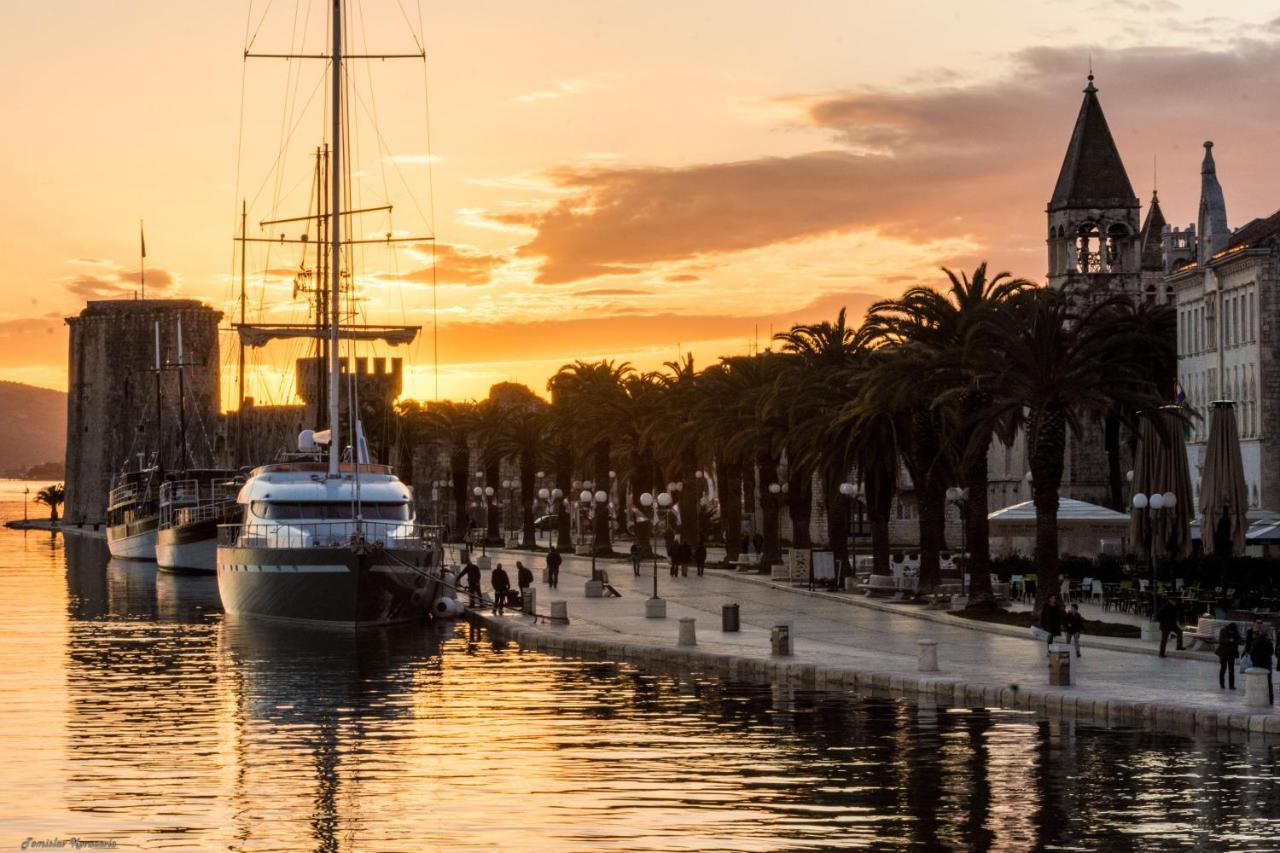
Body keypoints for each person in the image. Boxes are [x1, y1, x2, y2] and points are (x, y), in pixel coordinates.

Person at [1246, 619, 1275, 705]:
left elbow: (1252, 651)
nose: (1259, 624)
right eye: (1258, 623)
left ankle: (1259, 698)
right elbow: (1271, 652)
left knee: (1260, 680)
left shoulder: (1256, 642)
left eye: (1261, 623)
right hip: (1266, 663)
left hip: (1256, 662)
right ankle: (1270, 699)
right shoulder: (1251, 632)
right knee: (1268, 681)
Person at [1217, 622, 1241, 690]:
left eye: (1233, 631)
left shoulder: (1235, 632)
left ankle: (1231, 685)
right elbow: (1221, 640)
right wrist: (1229, 640)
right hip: (1223, 653)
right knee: (1223, 668)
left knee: (1231, 670)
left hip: (1231, 653)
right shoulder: (1223, 631)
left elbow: (1240, 639)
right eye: (1231, 631)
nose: (1232, 632)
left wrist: (1236, 641)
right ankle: (1222, 684)